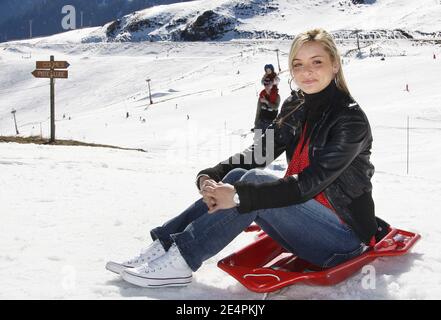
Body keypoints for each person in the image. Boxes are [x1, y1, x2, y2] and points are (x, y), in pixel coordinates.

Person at [106, 28, 379, 288]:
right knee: (238, 177)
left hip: (342, 239)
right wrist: (212, 175)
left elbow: (307, 185)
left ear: (334, 64)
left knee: (251, 187)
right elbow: (261, 153)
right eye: (297, 64)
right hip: (303, 223)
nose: (306, 71)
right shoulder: (296, 105)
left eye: (316, 61)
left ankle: (180, 262)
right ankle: (163, 247)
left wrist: (239, 197)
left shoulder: (349, 119)